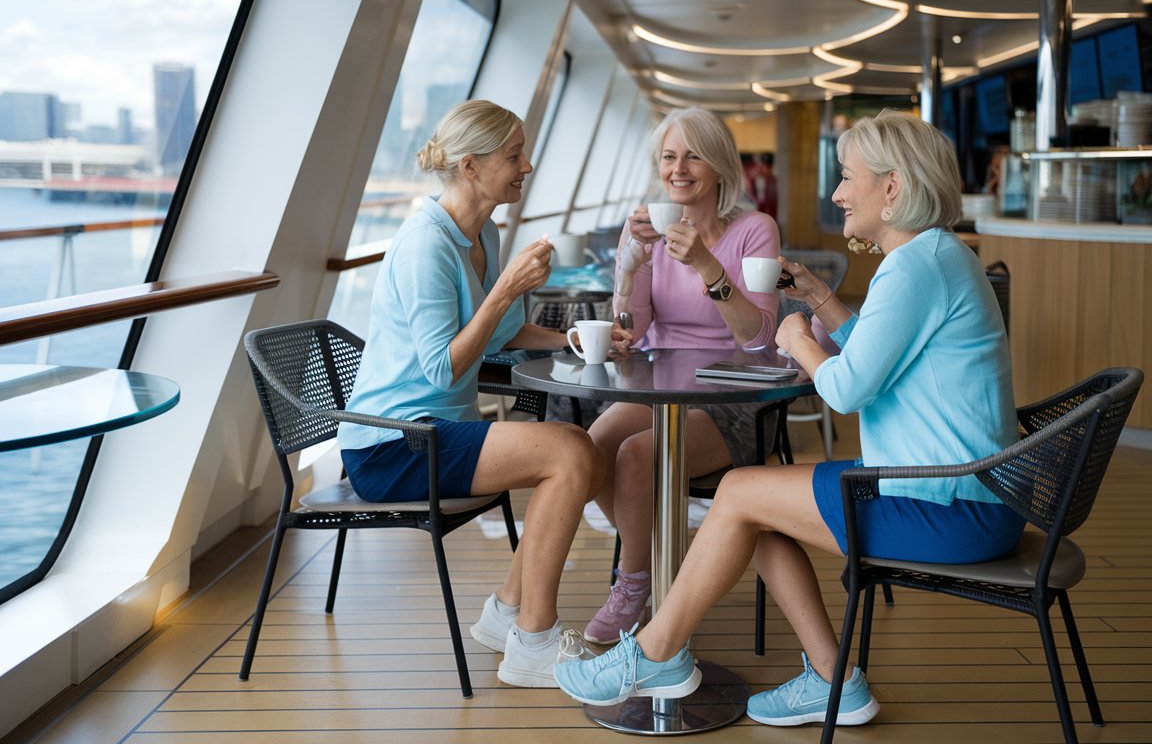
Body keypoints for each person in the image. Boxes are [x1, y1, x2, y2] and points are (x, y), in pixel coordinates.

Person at [556, 110, 1024, 727]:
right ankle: (836, 682)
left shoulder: (914, 266)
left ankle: (654, 653)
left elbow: (847, 389)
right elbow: (873, 353)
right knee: (756, 507)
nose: (835, 193)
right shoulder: (935, 256)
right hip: (955, 488)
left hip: (944, 503)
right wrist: (822, 301)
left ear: (891, 189)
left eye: (846, 177)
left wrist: (795, 336)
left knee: (740, 492)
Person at [338, 100, 610, 688]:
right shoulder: (426, 246)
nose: (527, 166)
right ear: (470, 166)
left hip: (435, 434)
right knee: (569, 451)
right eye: (514, 156)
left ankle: (504, 615)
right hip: (393, 445)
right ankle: (533, 642)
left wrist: (575, 340)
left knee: (573, 447)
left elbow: (504, 332)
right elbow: (443, 367)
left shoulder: (477, 231)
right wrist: (506, 288)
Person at [583, 106, 782, 645]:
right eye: (670, 156)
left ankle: (632, 580)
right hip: (658, 386)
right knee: (589, 450)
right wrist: (629, 269)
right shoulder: (650, 227)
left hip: (733, 396)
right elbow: (634, 326)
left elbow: (759, 339)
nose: (680, 168)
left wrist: (705, 264)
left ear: (719, 165)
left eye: (694, 155)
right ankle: (648, 565)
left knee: (636, 456)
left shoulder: (752, 230)